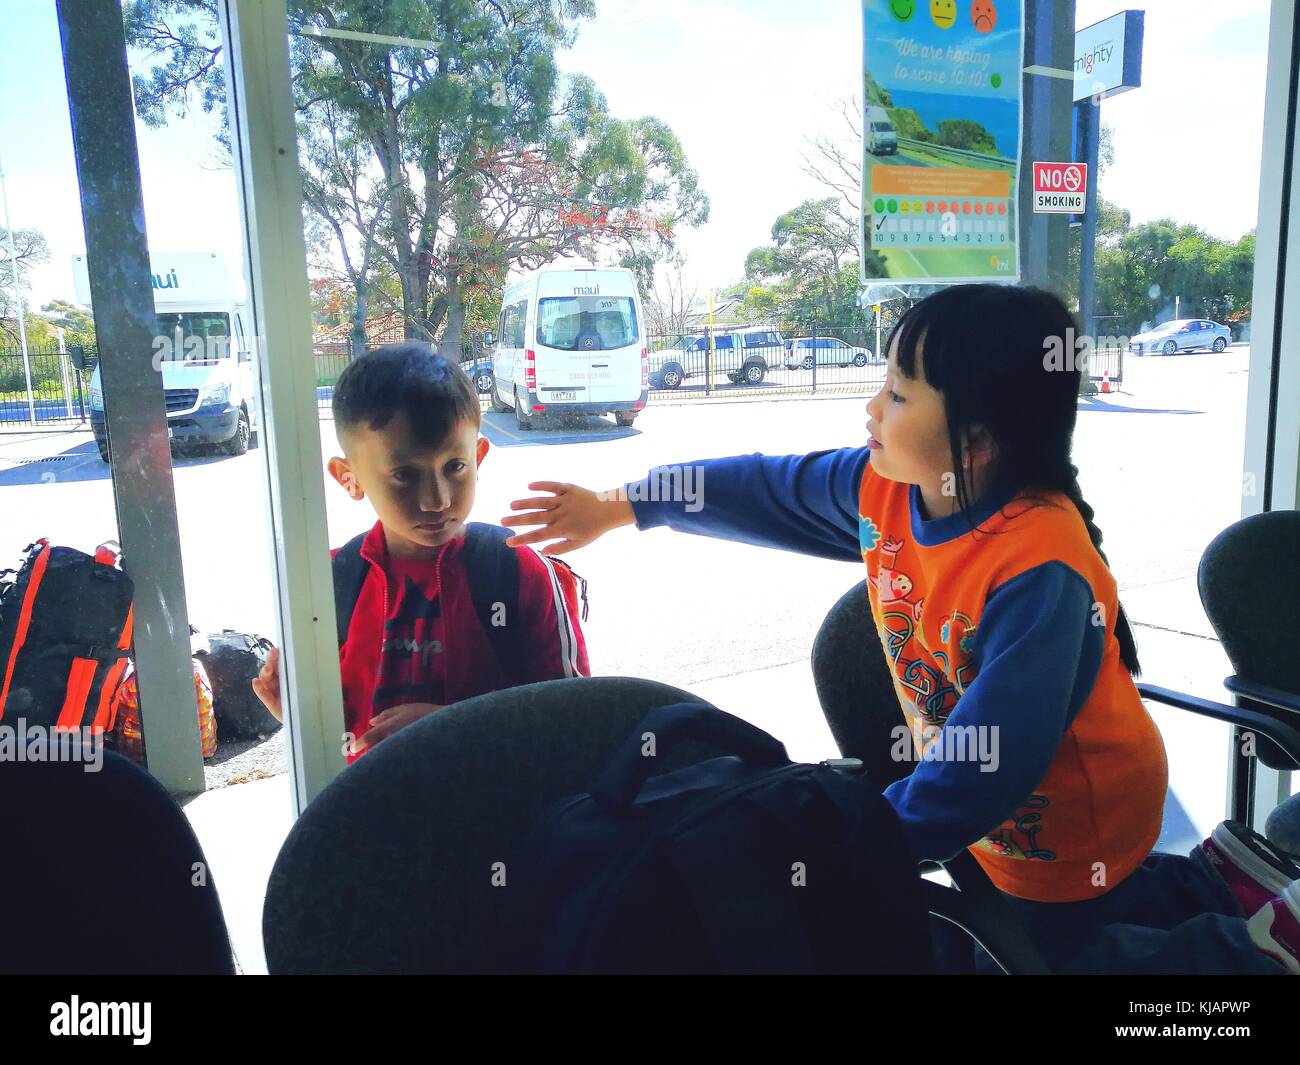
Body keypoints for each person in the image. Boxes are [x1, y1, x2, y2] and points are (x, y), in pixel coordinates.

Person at [500, 284, 1299, 975]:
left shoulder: (1038, 568)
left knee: (1082, 961)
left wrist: (864, 847)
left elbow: (988, 765)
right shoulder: (885, 488)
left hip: (1076, 830)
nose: (872, 409)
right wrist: (625, 505)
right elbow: (755, 485)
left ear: (977, 443)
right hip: (997, 834)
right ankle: (1216, 884)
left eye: (900, 394)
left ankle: (1246, 954)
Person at [253, 344, 588, 763]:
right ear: (348, 478)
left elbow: (575, 723)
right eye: (404, 475)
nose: (436, 500)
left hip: (502, 823)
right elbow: (339, 742)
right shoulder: (329, 582)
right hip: (373, 819)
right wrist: (301, 719)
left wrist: (453, 731)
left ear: (478, 457)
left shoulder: (519, 572)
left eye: (454, 467)